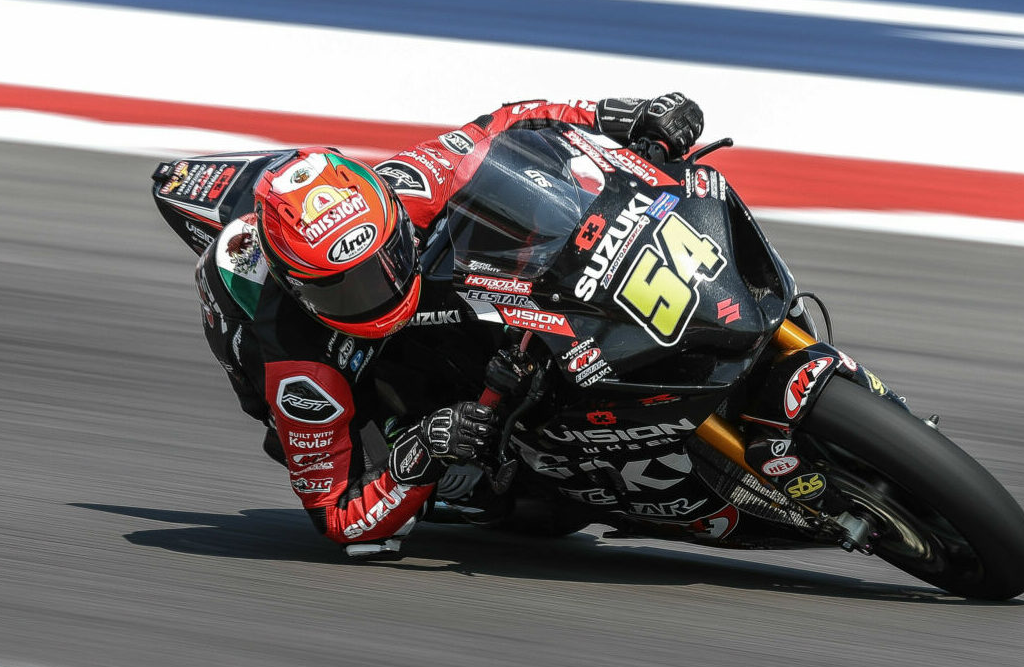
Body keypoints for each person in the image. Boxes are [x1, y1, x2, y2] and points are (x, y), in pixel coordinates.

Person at [194, 93, 705, 560]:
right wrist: (425, 449)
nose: (380, 290)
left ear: (389, 213)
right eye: (347, 290)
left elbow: (508, 122)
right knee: (524, 504)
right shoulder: (299, 367)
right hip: (371, 385)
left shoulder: (408, 183)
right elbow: (338, 517)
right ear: (300, 290)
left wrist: (617, 114)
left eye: (385, 262)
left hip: (466, 302)